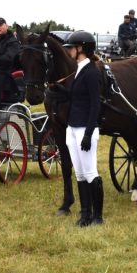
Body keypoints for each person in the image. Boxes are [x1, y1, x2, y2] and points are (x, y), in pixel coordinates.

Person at [62, 31, 104, 227]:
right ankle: (85, 214)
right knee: (79, 174)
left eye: (71, 47)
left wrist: (88, 134)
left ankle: (97, 216)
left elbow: (95, 105)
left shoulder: (92, 72)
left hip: (84, 130)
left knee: (90, 173)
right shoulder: (79, 69)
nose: (69, 50)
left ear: (81, 49)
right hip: (72, 128)